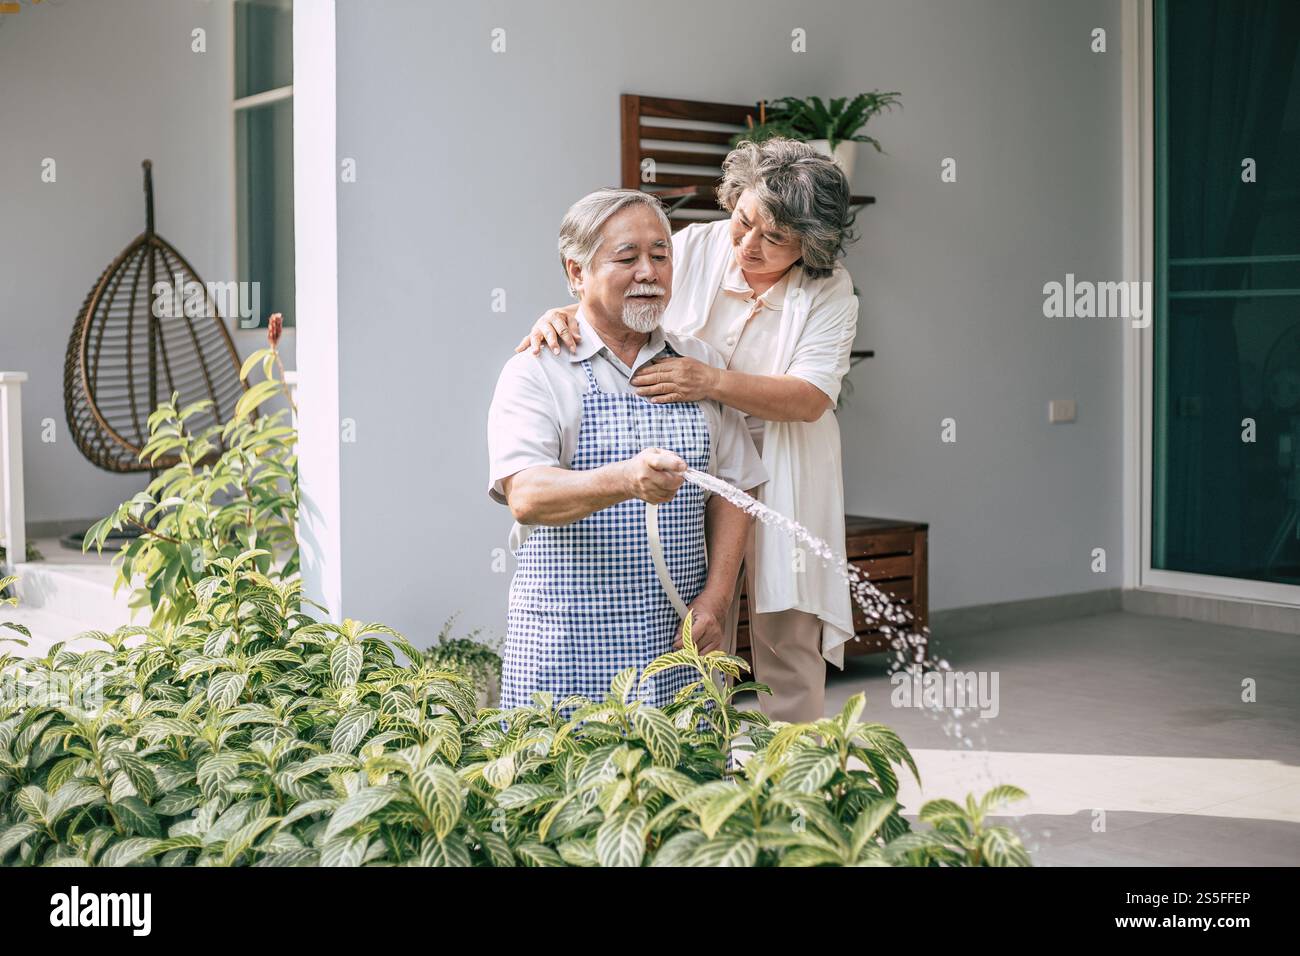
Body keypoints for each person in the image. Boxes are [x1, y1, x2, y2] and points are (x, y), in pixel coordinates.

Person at [515, 139, 860, 723]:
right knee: (702, 614)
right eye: (744, 221)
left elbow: (809, 399)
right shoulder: (697, 244)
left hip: (787, 461)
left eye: (774, 239)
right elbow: (626, 290)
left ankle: (800, 785)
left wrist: (711, 381)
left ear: (810, 245)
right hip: (698, 453)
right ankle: (708, 758)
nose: (747, 245)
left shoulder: (829, 290)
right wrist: (562, 313)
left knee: (787, 634)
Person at [487, 188, 766, 713]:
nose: (649, 272)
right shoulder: (537, 370)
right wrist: (626, 480)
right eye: (627, 257)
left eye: (661, 255)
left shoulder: (699, 363)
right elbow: (526, 494)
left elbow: (736, 485)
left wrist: (718, 599)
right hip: (567, 649)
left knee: (686, 790)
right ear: (577, 273)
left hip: (678, 646)